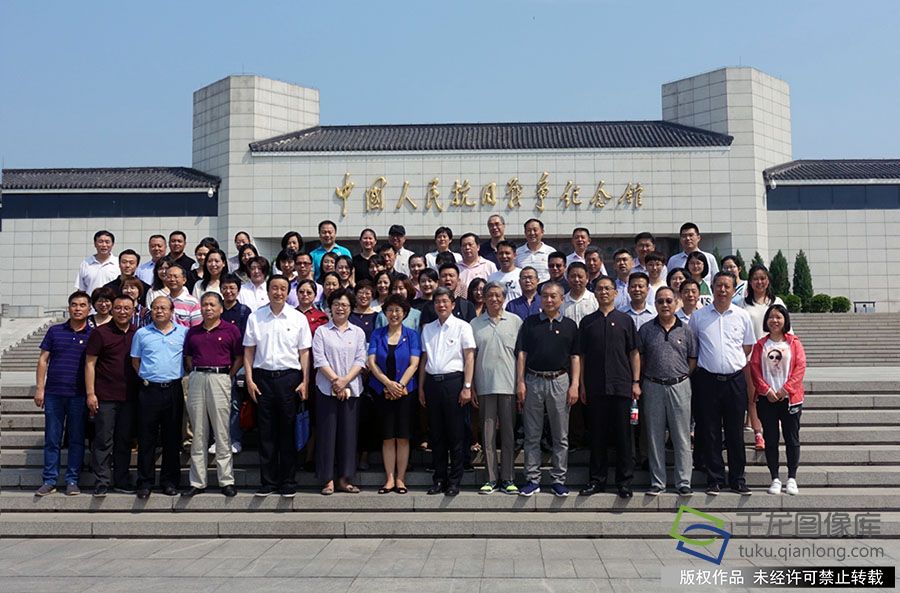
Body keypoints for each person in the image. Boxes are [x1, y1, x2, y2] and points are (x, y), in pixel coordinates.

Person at [243, 275, 312, 497]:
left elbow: (304, 352)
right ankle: (268, 482)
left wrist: (305, 381)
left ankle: (288, 481)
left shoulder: (297, 318)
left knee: (288, 431)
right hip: (262, 379)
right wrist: (250, 380)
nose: (278, 292)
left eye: (283, 288)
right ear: (268, 290)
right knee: (266, 432)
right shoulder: (256, 317)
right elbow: (249, 351)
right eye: (274, 288)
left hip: (289, 379)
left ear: (287, 292)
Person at [689, 271, 756, 496]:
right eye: (719, 285)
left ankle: (738, 479)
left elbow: (747, 347)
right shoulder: (699, 317)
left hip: (734, 381)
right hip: (707, 381)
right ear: (713, 287)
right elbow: (694, 347)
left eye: (727, 286)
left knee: (735, 432)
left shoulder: (742, 315)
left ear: (733, 289)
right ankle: (715, 478)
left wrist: (730, 362)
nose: (723, 290)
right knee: (710, 431)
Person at [516, 281, 581, 497]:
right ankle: (532, 479)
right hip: (533, 380)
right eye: (545, 296)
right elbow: (522, 354)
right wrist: (520, 382)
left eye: (553, 296)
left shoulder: (570, 325)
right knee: (532, 434)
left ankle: (558, 479)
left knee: (560, 435)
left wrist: (574, 384)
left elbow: (575, 357)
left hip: (560, 380)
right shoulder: (530, 323)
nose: (549, 300)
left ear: (562, 299)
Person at [577, 276, 640, 499]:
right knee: (597, 436)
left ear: (615, 293)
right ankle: (597, 480)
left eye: (607, 289)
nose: (603, 292)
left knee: (624, 436)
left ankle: (624, 482)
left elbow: (634, 353)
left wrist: (635, 382)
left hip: (621, 386)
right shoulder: (587, 322)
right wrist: (582, 385)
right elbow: (581, 356)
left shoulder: (625, 320)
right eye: (600, 289)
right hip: (595, 387)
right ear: (594, 293)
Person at [182, 292, 243, 497]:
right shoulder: (193, 332)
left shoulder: (231, 330)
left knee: (221, 431)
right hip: (198, 377)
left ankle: (226, 480)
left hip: (220, 377)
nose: (208, 308)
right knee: (198, 431)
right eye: (205, 305)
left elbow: (238, 357)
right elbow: (188, 357)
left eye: (212, 305)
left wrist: (228, 376)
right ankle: (197, 481)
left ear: (220, 308)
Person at [639, 287, 696, 496]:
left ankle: (683, 481)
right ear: (655, 304)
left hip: (679, 386)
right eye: (660, 301)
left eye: (669, 301)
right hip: (653, 385)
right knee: (654, 436)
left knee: (681, 435)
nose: (665, 305)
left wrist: (681, 376)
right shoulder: (646, 329)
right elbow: (640, 358)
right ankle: (658, 482)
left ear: (676, 302)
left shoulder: (686, 330)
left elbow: (692, 359)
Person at [34, 291, 92, 496]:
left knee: (76, 439)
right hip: (54, 394)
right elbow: (43, 360)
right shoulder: (55, 331)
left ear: (89, 309)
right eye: (74, 305)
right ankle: (49, 480)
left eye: (82, 305)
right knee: (52, 438)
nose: (78, 308)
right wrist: (40, 388)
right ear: (69, 308)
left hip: (78, 394)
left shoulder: (93, 335)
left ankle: (72, 480)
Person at [418, 287, 475, 497]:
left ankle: (454, 480)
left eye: (445, 301)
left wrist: (467, 387)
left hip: (454, 383)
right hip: (432, 383)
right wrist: (421, 387)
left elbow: (469, 357)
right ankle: (439, 478)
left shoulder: (463, 326)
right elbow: (424, 359)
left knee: (456, 433)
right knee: (437, 433)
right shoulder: (428, 328)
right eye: (437, 302)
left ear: (452, 304)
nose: (441, 305)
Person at [130, 296, 189, 499]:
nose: (159, 311)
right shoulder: (142, 333)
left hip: (173, 389)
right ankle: (145, 482)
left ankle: (170, 482)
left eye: (164, 308)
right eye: (155, 308)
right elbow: (136, 361)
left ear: (172, 311)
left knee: (172, 438)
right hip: (149, 390)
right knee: (146, 438)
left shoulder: (183, 332)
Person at [311, 289, 368, 495]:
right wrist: (336, 382)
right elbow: (319, 359)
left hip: (351, 390)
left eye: (344, 305)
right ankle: (327, 480)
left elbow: (361, 360)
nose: (340, 308)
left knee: (348, 435)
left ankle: (344, 478)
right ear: (330, 307)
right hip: (326, 389)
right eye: (336, 304)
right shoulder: (322, 332)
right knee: (327, 434)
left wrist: (344, 382)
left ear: (351, 308)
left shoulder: (358, 332)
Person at [85, 294, 140, 496]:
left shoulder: (138, 333)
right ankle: (102, 481)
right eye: (118, 308)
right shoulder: (100, 333)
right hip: (105, 396)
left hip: (130, 396)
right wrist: (91, 393)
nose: (122, 312)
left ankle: (121, 480)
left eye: (127, 308)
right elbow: (89, 364)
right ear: (112, 309)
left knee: (124, 440)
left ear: (133, 311)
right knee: (103, 440)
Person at [750, 305, 807, 496]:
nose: (774, 321)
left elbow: (800, 367)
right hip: (767, 399)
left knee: (792, 439)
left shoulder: (794, 343)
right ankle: (775, 477)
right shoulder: (761, 345)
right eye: (771, 317)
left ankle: (792, 478)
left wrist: (785, 390)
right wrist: (766, 390)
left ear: (785, 320)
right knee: (771, 439)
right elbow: (755, 369)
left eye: (779, 317)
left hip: (789, 399)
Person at [471, 282, 522, 495]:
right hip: (484, 386)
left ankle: (508, 478)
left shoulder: (516, 321)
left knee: (508, 434)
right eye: (490, 295)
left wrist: (521, 383)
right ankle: (490, 478)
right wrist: (471, 386)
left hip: (509, 385)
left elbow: (521, 355)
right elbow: (470, 358)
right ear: (484, 298)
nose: (494, 299)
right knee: (488, 435)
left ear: (504, 298)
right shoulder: (474, 324)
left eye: (498, 295)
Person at [368, 295, 421, 495]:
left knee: (403, 437)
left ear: (405, 313)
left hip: (405, 392)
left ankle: (401, 479)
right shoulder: (377, 334)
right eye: (390, 310)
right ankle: (389, 479)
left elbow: (414, 363)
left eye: (398, 310)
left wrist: (399, 385)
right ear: (385, 313)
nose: (394, 314)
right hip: (382, 390)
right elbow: (372, 362)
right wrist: (388, 384)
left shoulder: (412, 335)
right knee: (388, 437)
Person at [739, 264, 785, 450]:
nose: (759, 282)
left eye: (763, 278)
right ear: (750, 282)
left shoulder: (777, 302)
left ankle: (771, 431)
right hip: (751, 357)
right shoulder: (742, 304)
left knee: (773, 394)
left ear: (768, 281)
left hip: (774, 357)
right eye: (755, 279)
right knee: (753, 397)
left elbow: (786, 328)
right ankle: (758, 434)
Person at [220, 273, 253, 455]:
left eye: (232, 288)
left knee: (234, 403)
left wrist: (235, 370)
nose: (228, 291)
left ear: (238, 290)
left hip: (238, 364)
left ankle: (235, 439)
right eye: (225, 287)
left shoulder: (244, 312)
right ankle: (218, 440)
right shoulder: (217, 309)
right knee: (218, 405)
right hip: (218, 363)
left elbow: (247, 342)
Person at [75, 230, 118, 294]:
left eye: (107, 242)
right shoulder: (86, 263)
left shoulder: (118, 263)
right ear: (95, 244)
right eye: (100, 242)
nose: (104, 245)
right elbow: (81, 289)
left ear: (112, 244)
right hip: (91, 300)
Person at [458, 233, 497, 297]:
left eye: (470, 244)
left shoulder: (489, 266)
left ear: (478, 247)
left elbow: (495, 288)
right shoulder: (456, 268)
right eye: (464, 245)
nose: (467, 248)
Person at [561, 262, 598, 326]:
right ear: (567, 278)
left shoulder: (595, 299)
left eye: (580, 276)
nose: (576, 280)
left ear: (587, 278)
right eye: (573, 276)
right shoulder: (561, 302)